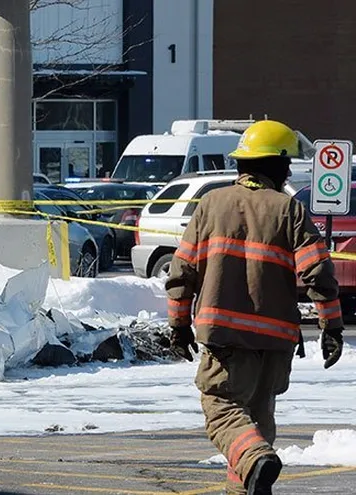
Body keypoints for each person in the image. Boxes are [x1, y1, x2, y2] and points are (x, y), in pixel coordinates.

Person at [165, 120, 344, 495]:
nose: (288, 173)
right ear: (276, 166)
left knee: (224, 414)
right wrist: (332, 328)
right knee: (256, 426)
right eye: (287, 166)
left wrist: (179, 325)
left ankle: (258, 460)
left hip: (225, 340)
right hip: (275, 346)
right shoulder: (289, 210)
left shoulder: (212, 204)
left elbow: (182, 270)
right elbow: (319, 273)